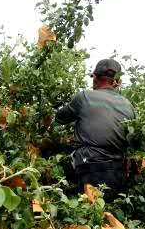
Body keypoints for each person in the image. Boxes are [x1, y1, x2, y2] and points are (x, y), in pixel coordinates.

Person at [55, 58, 136, 199]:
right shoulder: (129, 105)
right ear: (118, 82)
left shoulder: (84, 97)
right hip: (117, 171)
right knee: (111, 214)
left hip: (89, 166)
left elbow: (60, 118)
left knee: (53, 160)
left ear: (95, 78)